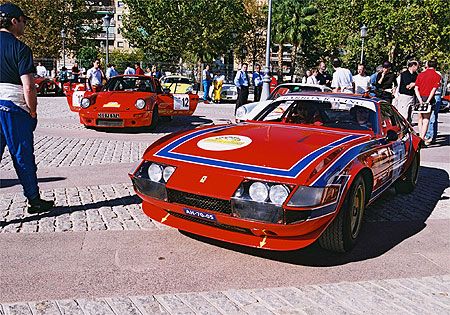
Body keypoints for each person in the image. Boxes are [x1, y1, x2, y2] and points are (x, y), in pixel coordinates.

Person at [0, 2, 54, 213]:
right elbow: (29, 86)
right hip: (13, 106)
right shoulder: (20, 48)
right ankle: (34, 200)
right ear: (14, 21)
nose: (24, 26)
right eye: (23, 21)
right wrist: (32, 111)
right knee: (22, 155)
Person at [414, 58, 441, 142]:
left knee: (420, 118)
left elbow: (416, 88)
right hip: (428, 97)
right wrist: (428, 100)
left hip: (420, 97)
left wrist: (420, 99)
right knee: (426, 119)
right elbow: (433, 89)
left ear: (427, 65)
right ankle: (422, 137)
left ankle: (420, 136)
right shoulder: (437, 76)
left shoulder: (421, 74)